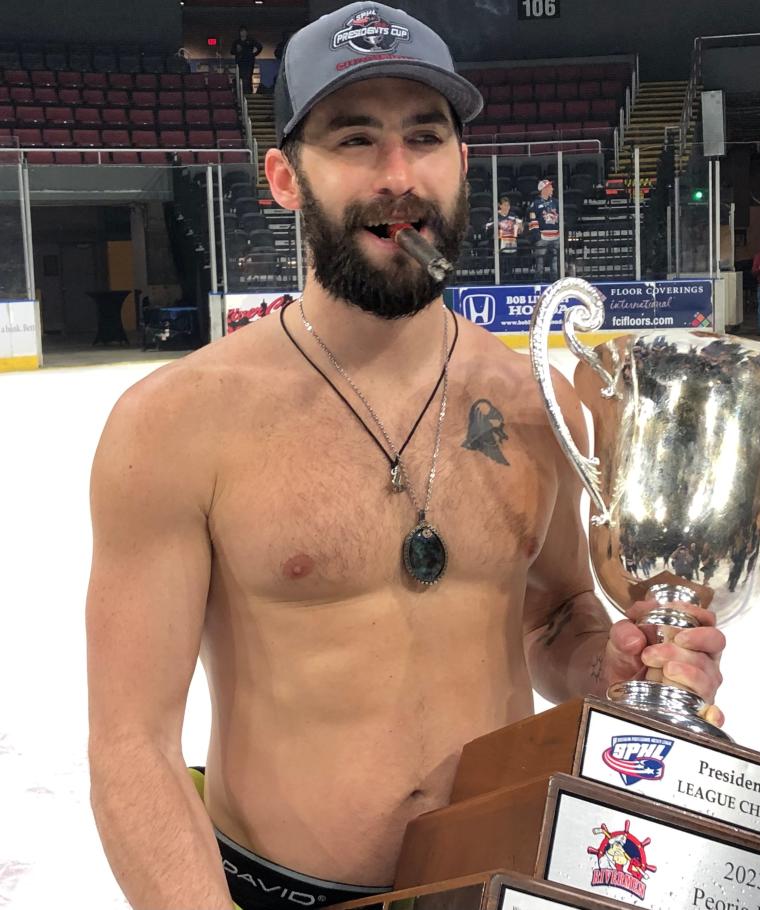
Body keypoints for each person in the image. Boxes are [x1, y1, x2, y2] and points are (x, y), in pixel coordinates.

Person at [86, 5, 726, 910]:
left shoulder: (540, 401)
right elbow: (130, 744)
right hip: (276, 893)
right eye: (355, 140)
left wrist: (610, 668)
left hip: (507, 877)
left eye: (424, 137)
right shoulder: (177, 425)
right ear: (282, 177)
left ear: (461, 162)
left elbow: (554, 621)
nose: (398, 176)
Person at [527, 178, 560, 282]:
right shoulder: (535, 204)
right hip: (542, 237)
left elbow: (561, 218)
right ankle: (538, 282)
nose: (552, 188)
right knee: (540, 262)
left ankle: (555, 282)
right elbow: (532, 220)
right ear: (544, 189)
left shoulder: (556, 202)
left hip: (555, 236)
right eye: (550, 186)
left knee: (555, 262)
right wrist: (537, 236)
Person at [486, 195, 524, 283]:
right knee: (501, 267)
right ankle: (500, 283)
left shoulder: (514, 216)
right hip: (500, 246)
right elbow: (487, 227)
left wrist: (520, 226)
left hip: (512, 245)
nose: (507, 207)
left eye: (508, 205)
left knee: (511, 266)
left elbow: (520, 231)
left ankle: (510, 282)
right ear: (500, 205)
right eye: (505, 205)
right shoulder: (495, 216)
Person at [231, 25, 263, 96]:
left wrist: (254, 54)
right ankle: (240, 93)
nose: (243, 33)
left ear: (246, 32)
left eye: (244, 32)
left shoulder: (251, 40)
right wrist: (237, 50)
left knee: (248, 77)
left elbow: (259, 47)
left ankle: (248, 93)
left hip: (249, 61)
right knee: (241, 77)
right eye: (242, 32)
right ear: (239, 33)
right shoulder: (237, 42)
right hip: (240, 62)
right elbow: (232, 51)